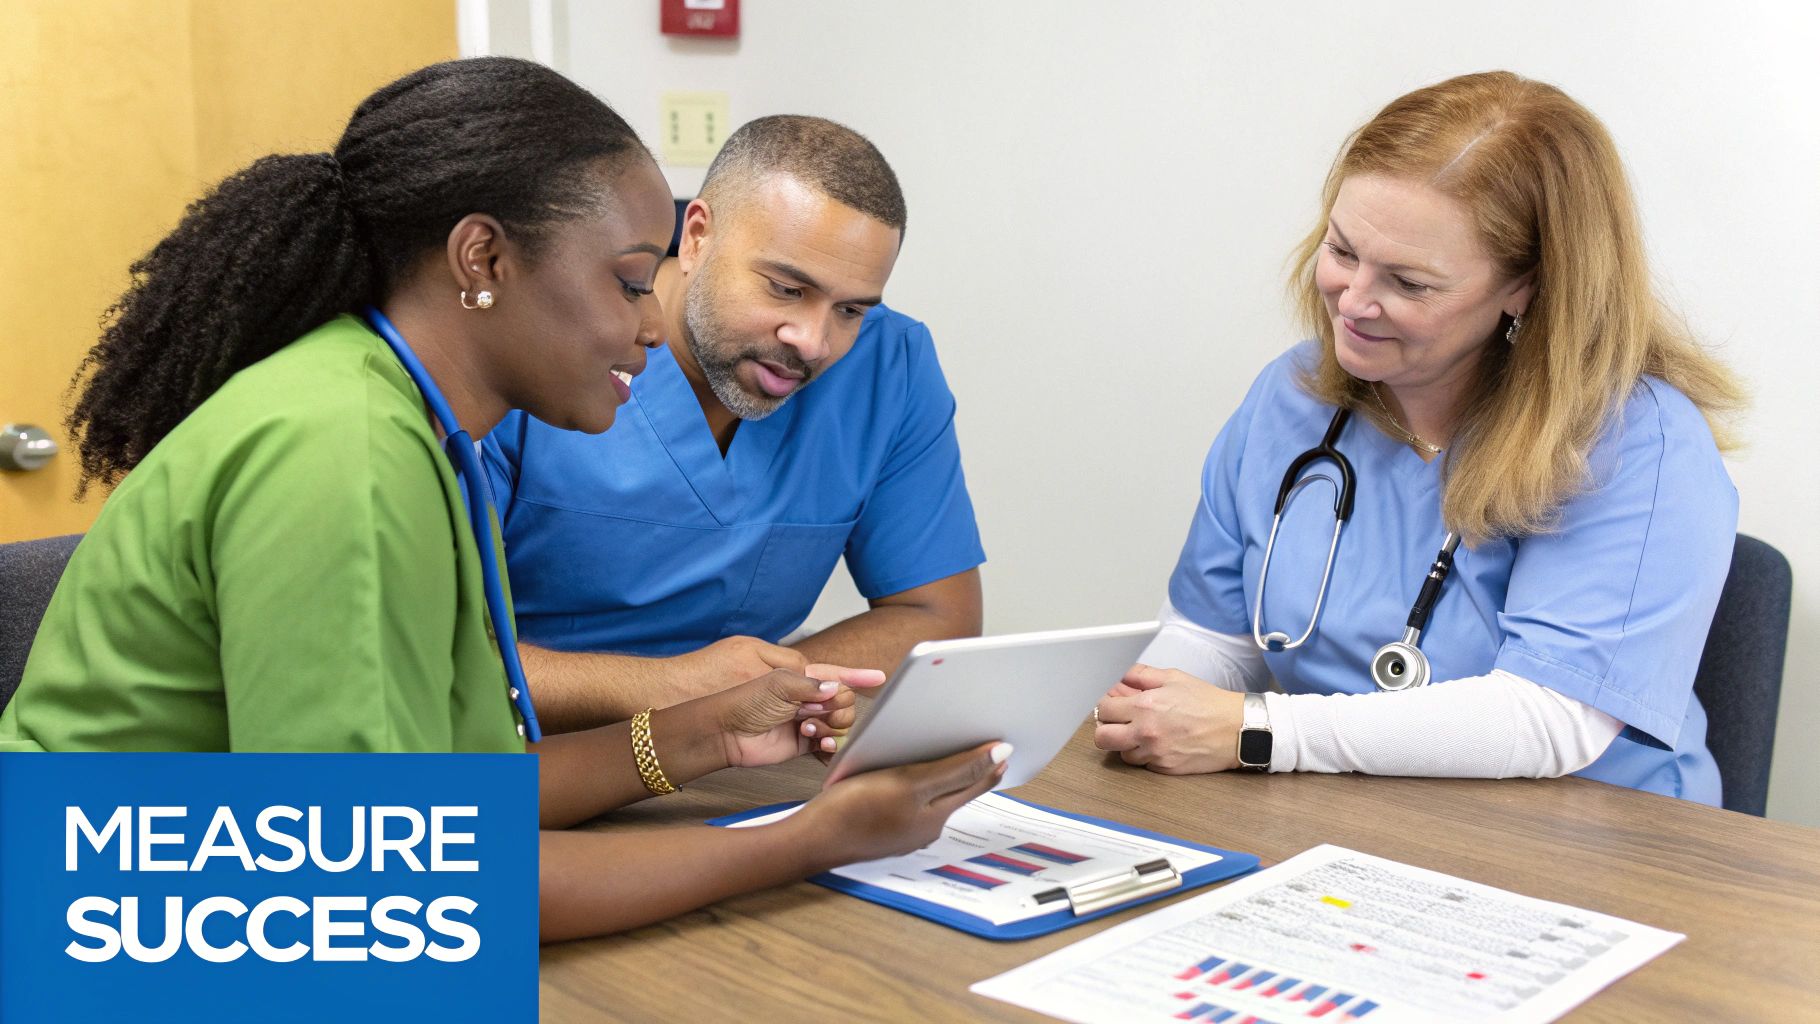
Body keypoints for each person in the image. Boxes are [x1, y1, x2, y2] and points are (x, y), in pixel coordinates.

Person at [0, 57, 1007, 940]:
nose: (650, 332)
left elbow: (460, 802)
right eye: (625, 284)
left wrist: (704, 734)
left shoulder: (417, 426)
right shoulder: (342, 450)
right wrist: (806, 838)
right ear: (482, 260)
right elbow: (387, 882)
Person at [1094, 71, 1743, 804]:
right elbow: (1216, 639)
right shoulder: (1293, 396)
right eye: (1342, 252)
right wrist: (1135, 703)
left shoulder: (1636, 442)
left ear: (1526, 287)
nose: (1354, 301)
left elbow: (1549, 720)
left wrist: (1260, 731)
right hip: (1348, 812)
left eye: (1409, 283)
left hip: (1593, 844)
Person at [479, 115, 985, 731]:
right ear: (696, 236)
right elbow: (433, 662)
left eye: (850, 309)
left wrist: (764, 688)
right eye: (785, 289)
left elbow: (937, 616)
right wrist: (677, 691)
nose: (814, 342)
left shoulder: (887, 364)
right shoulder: (534, 343)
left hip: (743, 758)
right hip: (523, 752)